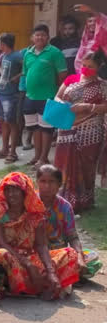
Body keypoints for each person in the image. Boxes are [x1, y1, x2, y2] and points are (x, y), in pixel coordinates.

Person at [0, 172, 79, 300]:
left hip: (30, 256)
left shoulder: (35, 215)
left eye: (16, 190)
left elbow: (42, 245)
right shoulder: (0, 213)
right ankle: (40, 287)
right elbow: (1, 243)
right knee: (1, 253)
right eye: (8, 190)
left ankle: (42, 283)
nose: (11, 194)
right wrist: (27, 264)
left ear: (25, 192)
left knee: (69, 253)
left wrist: (50, 271)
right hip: (10, 258)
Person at [53, 50, 107, 212]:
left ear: (99, 67)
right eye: (84, 65)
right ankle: (63, 199)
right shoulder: (72, 79)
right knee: (64, 164)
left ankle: (84, 201)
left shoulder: (103, 85)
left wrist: (87, 107)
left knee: (86, 165)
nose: (85, 69)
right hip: (67, 126)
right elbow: (57, 97)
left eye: (90, 66)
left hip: (90, 131)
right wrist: (64, 105)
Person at [36, 164, 102, 281]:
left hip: (60, 254)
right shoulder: (30, 203)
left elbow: (72, 237)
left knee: (92, 258)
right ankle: (66, 275)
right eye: (43, 181)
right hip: (36, 253)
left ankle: (64, 273)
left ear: (59, 185)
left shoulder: (65, 207)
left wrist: (80, 258)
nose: (47, 186)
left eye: (52, 182)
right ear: (37, 182)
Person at [20, 24, 68, 167]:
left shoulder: (55, 52)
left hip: (48, 96)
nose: (39, 37)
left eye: (43, 35)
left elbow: (63, 74)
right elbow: (25, 73)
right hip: (30, 96)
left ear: (47, 37)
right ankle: (36, 156)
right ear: (32, 38)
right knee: (34, 127)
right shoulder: (28, 53)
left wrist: (57, 92)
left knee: (46, 129)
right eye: (37, 35)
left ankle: (44, 158)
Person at [0, 33, 24, 163]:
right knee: (4, 121)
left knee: (12, 122)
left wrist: (17, 77)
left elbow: (27, 68)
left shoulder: (17, 56)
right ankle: (4, 149)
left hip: (12, 94)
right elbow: (4, 73)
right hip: (2, 92)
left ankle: (13, 152)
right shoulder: (3, 55)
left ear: (3, 43)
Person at [73, 4, 107, 72]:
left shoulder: (103, 38)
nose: (92, 23)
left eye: (96, 21)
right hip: (84, 75)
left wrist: (90, 10)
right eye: (90, 21)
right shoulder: (85, 41)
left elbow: (104, 21)